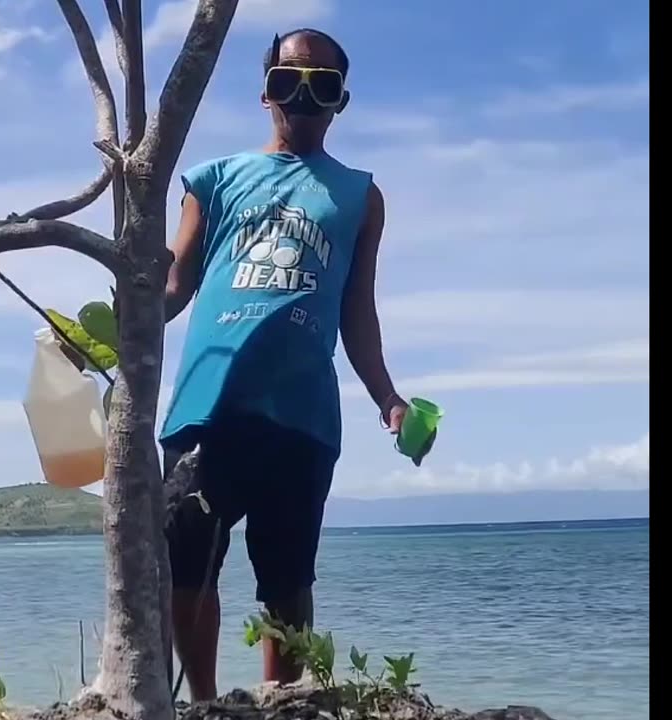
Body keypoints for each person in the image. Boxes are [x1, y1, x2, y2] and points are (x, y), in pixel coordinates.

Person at [160, 28, 407, 700]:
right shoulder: (213, 180)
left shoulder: (360, 195)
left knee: (288, 580)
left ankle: (281, 704)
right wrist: (100, 334)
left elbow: (358, 310)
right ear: (264, 91)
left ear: (341, 101)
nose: (302, 98)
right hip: (209, 401)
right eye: (287, 81)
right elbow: (173, 287)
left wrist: (388, 396)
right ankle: (204, 705)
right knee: (186, 566)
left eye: (321, 85)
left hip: (302, 415)